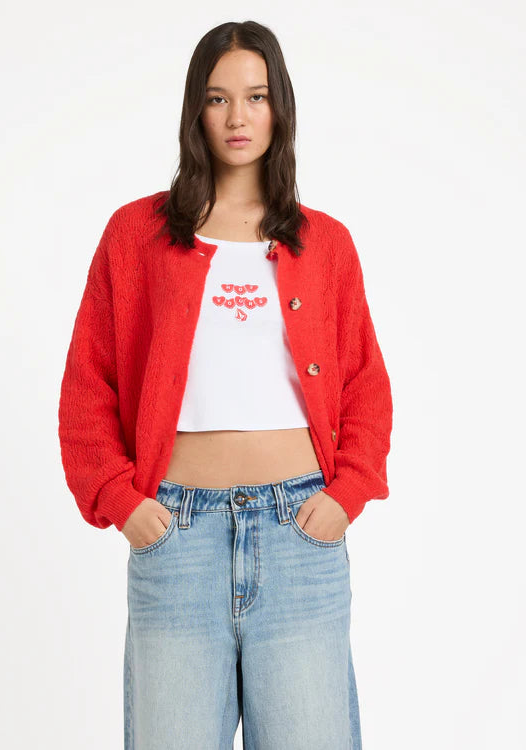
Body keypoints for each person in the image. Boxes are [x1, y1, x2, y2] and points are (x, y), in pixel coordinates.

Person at [58, 20, 393, 750]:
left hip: (301, 535)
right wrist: (121, 501)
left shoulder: (326, 244)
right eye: (217, 98)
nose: (238, 117)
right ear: (195, 110)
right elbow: (88, 383)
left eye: (256, 96)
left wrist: (346, 495)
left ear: (280, 108)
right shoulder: (135, 236)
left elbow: (365, 381)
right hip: (176, 539)